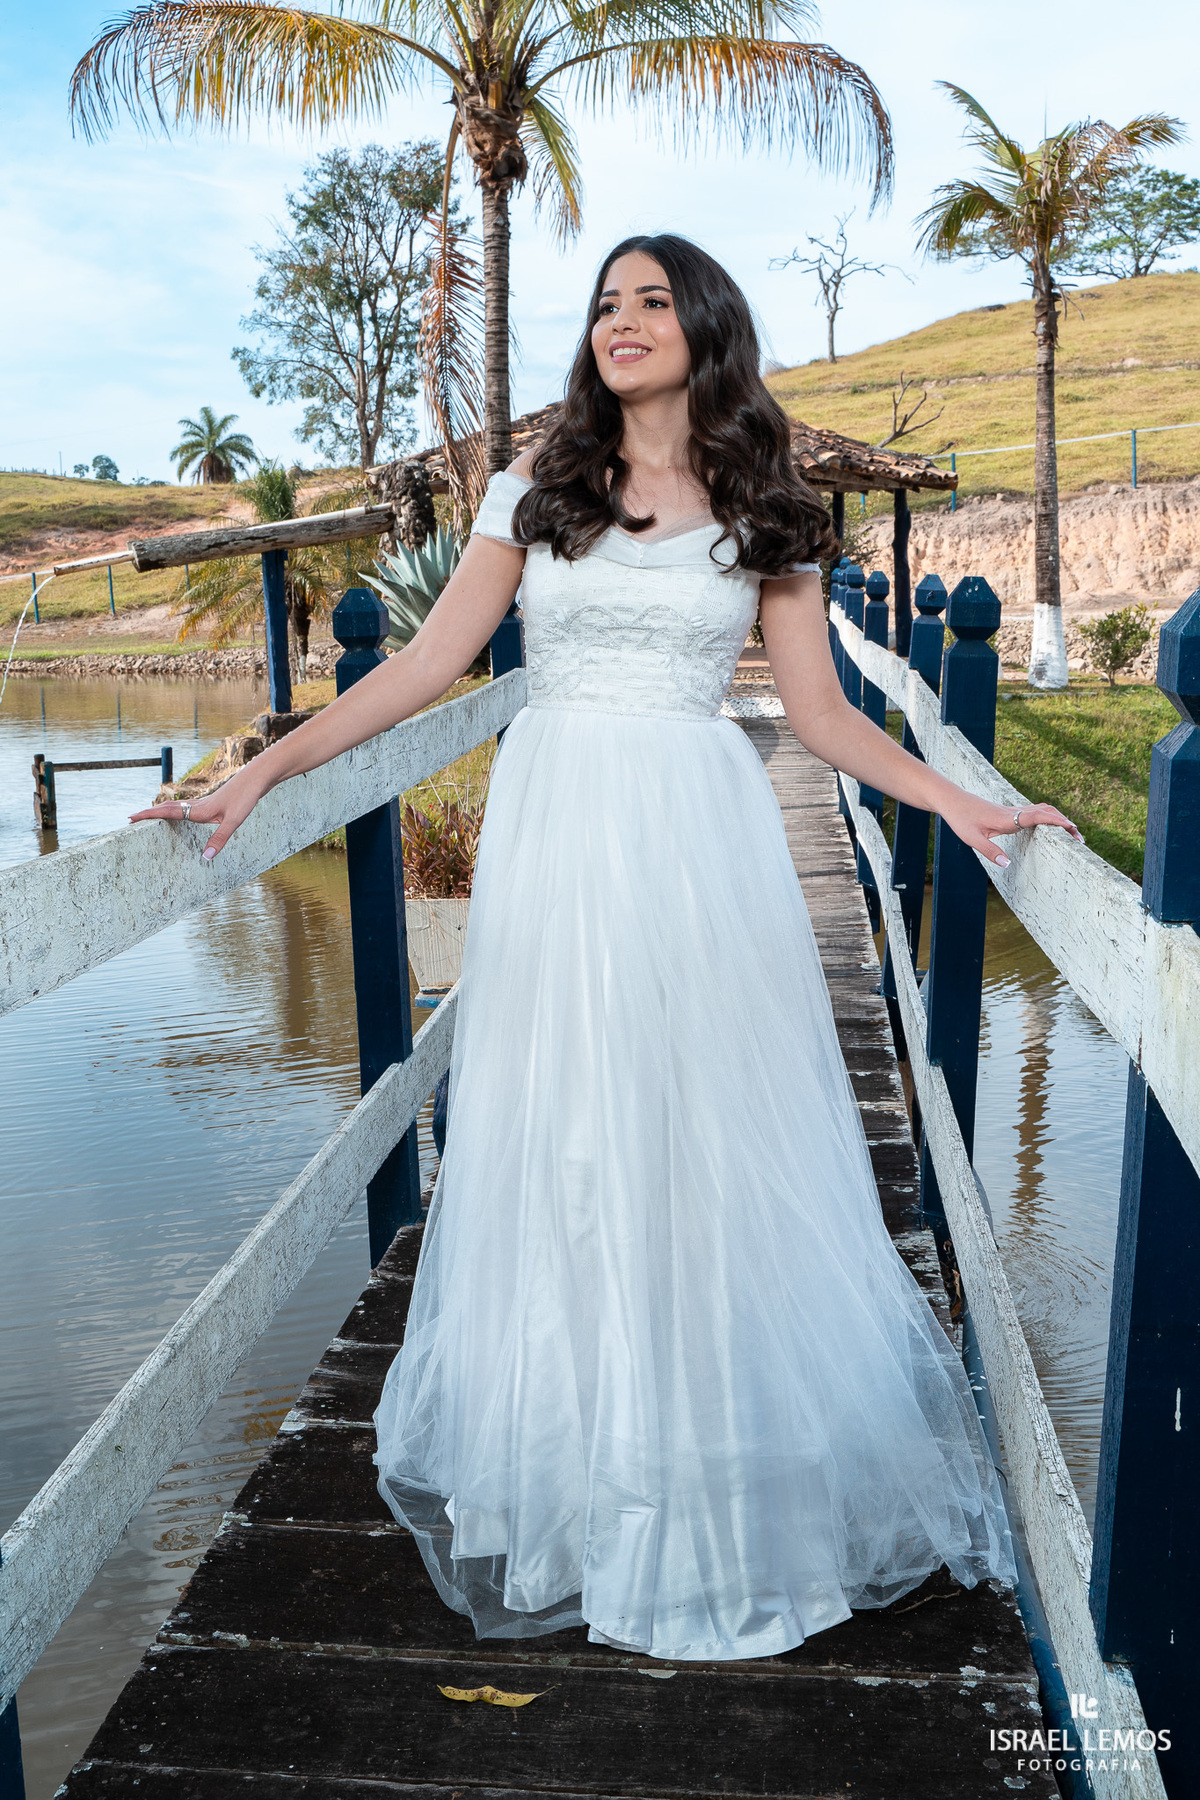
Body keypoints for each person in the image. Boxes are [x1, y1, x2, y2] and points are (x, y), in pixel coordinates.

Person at [133, 233, 1080, 1662]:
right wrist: (262, 767)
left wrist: (962, 798)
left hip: (696, 841)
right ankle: (585, 1469)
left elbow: (821, 720)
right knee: (566, 1131)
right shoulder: (537, 491)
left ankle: (694, 1480)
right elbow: (426, 663)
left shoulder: (771, 509)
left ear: (705, 328)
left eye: (653, 301)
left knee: (686, 1132)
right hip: (559, 833)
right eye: (605, 304)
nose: (622, 322)